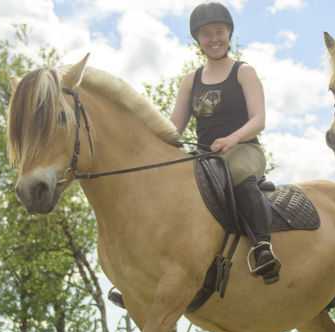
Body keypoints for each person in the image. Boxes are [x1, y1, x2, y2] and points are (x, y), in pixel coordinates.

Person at [109, 2, 277, 314]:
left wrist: (232, 139)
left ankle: (262, 247)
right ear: (197, 39)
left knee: (236, 171)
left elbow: (259, 119)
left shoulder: (244, 72)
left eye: (219, 32)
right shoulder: (191, 80)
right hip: (203, 157)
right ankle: (139, 277)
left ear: (229, 34)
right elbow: (174, 128)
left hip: (244, 150)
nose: (214, 38)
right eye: (206, 34)